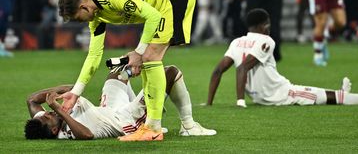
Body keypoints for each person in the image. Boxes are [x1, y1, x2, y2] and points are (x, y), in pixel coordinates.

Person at [57, 0, 196, 141]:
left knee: (149, 57)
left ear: (84, 8)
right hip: (162, 4)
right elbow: (94, 55)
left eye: (77, 18)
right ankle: (156, 126)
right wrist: (76, 92)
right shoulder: (97, 16)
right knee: (147, 59)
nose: (79, 22)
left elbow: (152, 16)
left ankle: (153, 129)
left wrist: (138, 52)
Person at [206, 8, 358, 107]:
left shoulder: (236, 42)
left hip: (263, 97)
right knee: (334, 100)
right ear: (264, 26)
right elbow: (243, 68)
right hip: (281, 95)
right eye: (269, 24)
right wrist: (240, 102)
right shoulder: (266, 41)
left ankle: (340, 93)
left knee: (329, 95)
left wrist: (209, 103)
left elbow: (217, 71)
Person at [25, 65, 216, 140]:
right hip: (124, 120)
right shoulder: (66, 133)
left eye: (47, 112)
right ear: (52, 130)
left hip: (108, 109)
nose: (49, 113)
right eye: (48, 116)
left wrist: (54, 93)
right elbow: (87, 135)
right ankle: (188, 125)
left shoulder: (44, 121)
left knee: (119, 70)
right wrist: (58, 107)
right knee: (169, 73)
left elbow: (31, 100)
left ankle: (149, 113)